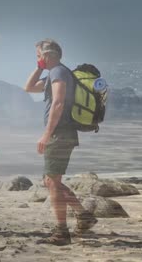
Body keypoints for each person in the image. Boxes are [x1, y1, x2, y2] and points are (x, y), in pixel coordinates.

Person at [24, 39, 97, 246]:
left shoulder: (58, 72)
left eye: (39, 55)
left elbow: (58, 103)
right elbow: (28, 87)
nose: (37, 59)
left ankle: (61, 232)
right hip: (62, 133)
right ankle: (83, 215)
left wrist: (47, 134)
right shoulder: (54, 74)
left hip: (59, 133)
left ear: (48, 55)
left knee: (53, 182)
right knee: (50, 181)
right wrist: (39, 67)